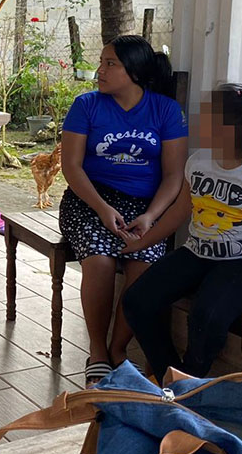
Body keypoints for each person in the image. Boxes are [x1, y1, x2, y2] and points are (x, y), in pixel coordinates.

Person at [121, 84, 242, 379]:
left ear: (233, 130)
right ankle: (172, 376)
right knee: (137, 301)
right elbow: (179, 211)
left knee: (207, 315)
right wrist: (141, 243)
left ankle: (190, 381)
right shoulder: (199, 161)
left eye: (208, 117)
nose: (199, 121)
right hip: (197, 253)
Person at [56, 35, 187, 385]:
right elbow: (72, 167)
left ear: (135, 71)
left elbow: (174, 176)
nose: (100, 70)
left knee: (144, 267)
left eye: (110, 63)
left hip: (145, 206)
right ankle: (98, 351)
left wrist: (151, 216)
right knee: (99, 260)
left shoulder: (166, 110)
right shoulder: (86, 105)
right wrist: (102, 208)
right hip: (88, 200)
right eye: (102, 62)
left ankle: (118, 349)